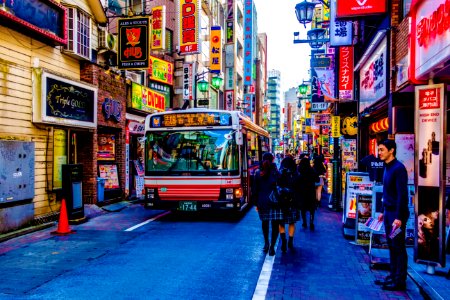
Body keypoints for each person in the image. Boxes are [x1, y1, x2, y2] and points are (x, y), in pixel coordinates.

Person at [375, 139, 409, 291]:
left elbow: (402, 195)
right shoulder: (387, 167)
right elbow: (386, 191)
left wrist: (399, 217)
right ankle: (393, 275)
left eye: (382, 149)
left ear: (391, 150)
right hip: (389, 212)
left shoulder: (399, 169)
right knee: (391, 245)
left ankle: (399, 280)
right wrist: (382, 211)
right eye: (379, 150)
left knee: (398, 246)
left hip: (396, 214)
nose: (379, 153)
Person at [253, 152, 280, 256]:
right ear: (272, 160)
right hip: (275, 202)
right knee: (275, 224)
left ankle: (266, 243)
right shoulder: (276, 172)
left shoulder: (258, 173)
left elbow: (255, 190)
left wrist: (256, 204)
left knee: (265, 223)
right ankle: (272, 247)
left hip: (262, 202)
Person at [277, 156, 300, 252]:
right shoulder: (296, 174)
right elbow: (299, 189)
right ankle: (290, 241)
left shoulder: (280, 174)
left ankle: (283, 241)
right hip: (293, 201)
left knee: (281, 222)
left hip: (282, 201)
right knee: (292, 222)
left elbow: (277, 186)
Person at [295, 157, 318, 230]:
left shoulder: (299, 170)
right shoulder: (312, 170)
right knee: (312, 208)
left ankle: (304, 222)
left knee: (303, 208)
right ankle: (311, 222)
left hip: (302, 191)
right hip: (311, 191)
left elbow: (296, 181)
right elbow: (317, 179)